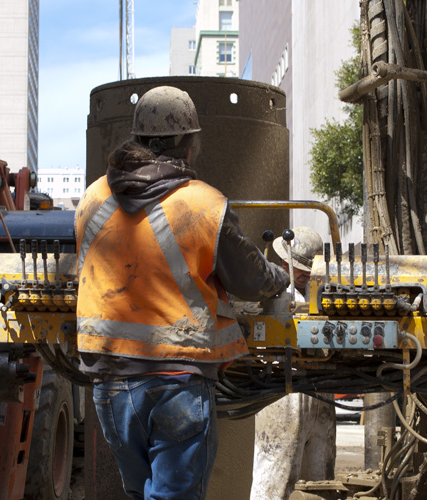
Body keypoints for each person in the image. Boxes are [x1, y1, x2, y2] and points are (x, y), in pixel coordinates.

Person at [75, 85, 289, 500]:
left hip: (110, 385)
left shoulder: (92, 199)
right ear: (189, 147)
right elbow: (249, 278)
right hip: (176, 382)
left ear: (137, 140)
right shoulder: (202, 204)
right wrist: (281, 278)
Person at [250, 227, 337, 500]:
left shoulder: (323, 293)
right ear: (285, 262)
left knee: (321, 482)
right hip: (282, 389)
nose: (305, 275)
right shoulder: (275, 291)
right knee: (274, 483)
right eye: (299, 269)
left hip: (320, 386)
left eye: (309, 270)